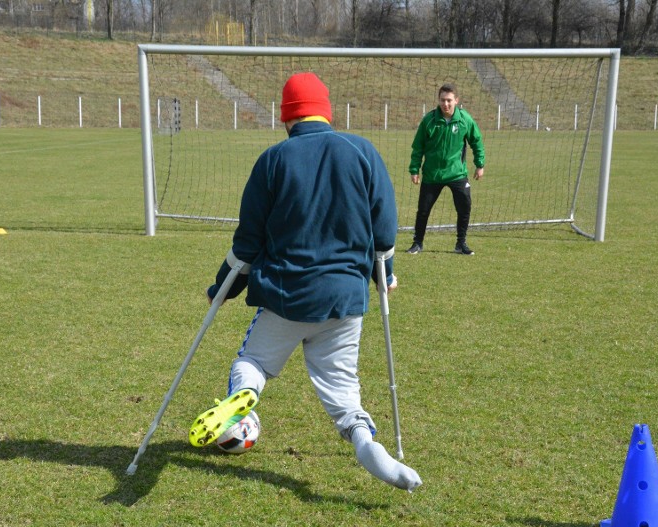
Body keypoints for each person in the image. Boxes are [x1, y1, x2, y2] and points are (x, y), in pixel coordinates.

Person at [188, 72, 422, 493]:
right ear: (327, 112)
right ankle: (365, 441)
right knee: (344, 394)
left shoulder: (274, 160)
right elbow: (384, 234)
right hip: (344, 300)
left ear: (286, 119)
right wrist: (383, 276)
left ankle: (244, 399)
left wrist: (222, 287)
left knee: (253, 363)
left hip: (285, 296)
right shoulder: (362, 150)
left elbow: (247, 244)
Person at [407, 83, 485, 255]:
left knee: (465, 206)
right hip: (432, 175)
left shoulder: (465, 119)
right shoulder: (429, 120)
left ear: (456, 100)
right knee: (423, 210)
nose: (446, 104)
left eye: (449, 100)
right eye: (443, 100)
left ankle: (461, 243)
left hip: (457, 173)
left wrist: (479, 164)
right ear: (438, 100)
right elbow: (418, 147)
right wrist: (414, 170)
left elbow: (477, 141)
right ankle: (417, 243)